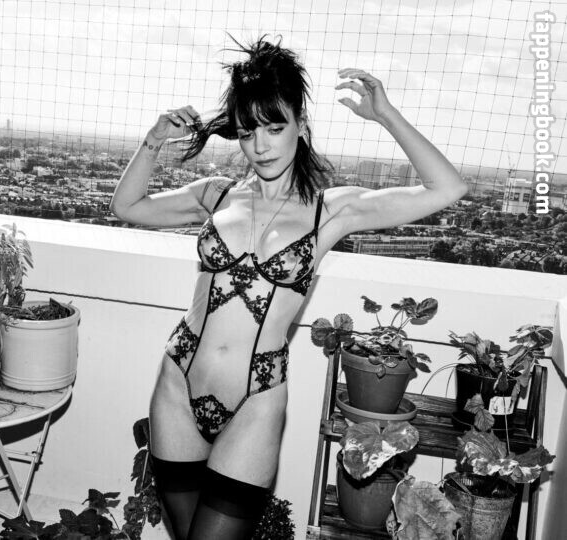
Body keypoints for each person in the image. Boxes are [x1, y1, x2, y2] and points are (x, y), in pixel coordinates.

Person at [109, 36, 467, 540]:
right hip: (178, 384)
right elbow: (127, 207)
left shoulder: (331, 211)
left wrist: (385, 116)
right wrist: (154, 139)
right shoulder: (217, 195)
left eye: (275, 128)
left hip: (256, 400)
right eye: (247, 131)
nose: (260, 145)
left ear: (301, 123)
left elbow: (447, 188)